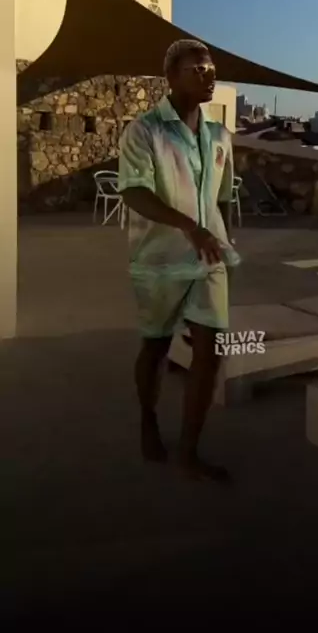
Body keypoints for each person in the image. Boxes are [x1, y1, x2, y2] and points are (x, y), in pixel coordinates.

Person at [118, 39, 240, 482]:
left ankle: (189, 450)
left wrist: (222, 238)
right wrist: (189, 226)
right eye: (198, 70)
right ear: (170, 77)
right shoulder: (144, 131)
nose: (209, 77)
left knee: (210, 353)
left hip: (209, 258)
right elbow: (134, 190)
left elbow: (221, 198)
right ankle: (148, 420)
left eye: (211, 70)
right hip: (159, 260)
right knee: (155, 346)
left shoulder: (220, 136)